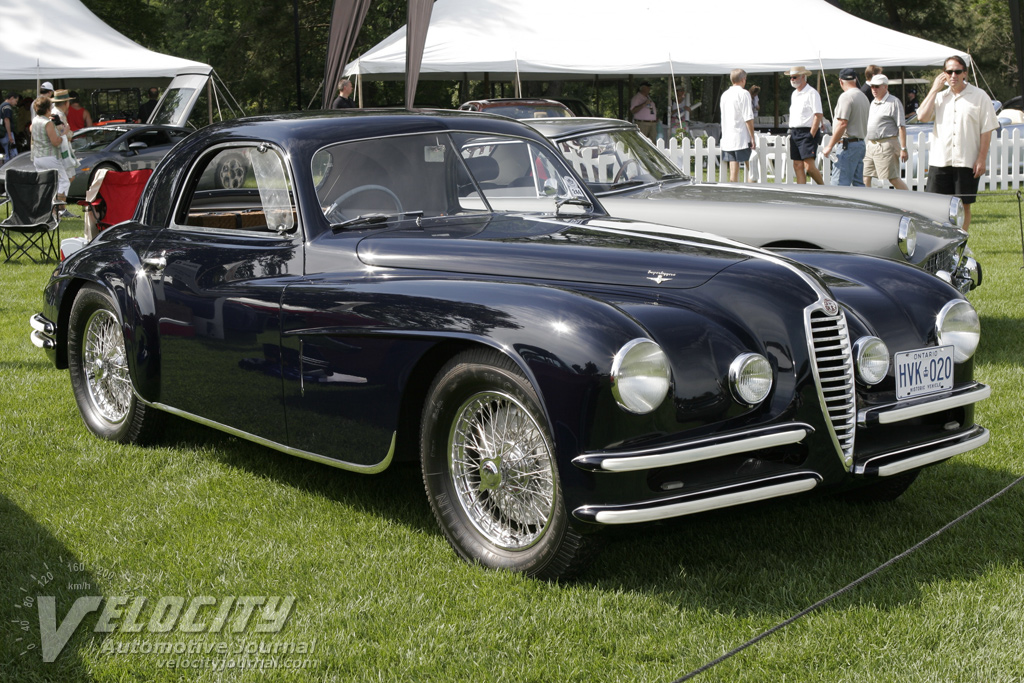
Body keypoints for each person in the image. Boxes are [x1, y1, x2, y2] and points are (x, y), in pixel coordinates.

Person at [917, 55, 1000, 232]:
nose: (953, 75)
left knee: (963, 206)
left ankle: (961, 242)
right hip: (940, 160)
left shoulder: (980, 96)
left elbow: (987, 129)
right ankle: (938, 241)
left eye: (957, 71)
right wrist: (933, 89)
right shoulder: (939, 98)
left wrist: (981, 159)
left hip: (966, 160)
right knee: (934, 206)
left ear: (965, 73)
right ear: (944, 74)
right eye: (949, 71)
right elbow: (922, 116)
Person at [822, 69, 868, 186]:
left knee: (839, 185)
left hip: (847, 145)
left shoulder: (846, 97)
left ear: (840, 81)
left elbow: (843, 123)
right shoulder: (863, 97)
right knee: (858, 185)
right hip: (860, 144)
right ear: (855, 79)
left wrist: (830, 146)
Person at [864, 75, 908, 190]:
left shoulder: (894, 102)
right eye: (872, 86)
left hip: (886, 144)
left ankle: (911, 201)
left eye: (877, 86)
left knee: (892, 178)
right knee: (865, 176)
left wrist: (903, 148)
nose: (874, 89)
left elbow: (901, 126)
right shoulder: (873, 102)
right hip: (871, 145)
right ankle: (866, 205)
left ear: (885, 87)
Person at [30, 96, 71, 207]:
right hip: (49, 156)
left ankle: (44, 207)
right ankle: (59, 208)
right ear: (48, 109)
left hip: (38, 157)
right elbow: (55, 141)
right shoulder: (48, 123)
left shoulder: (34, 121)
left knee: (45, 183)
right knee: (64, 181)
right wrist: (64, 133)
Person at [786, 66, 824, 184]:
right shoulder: (794, 94)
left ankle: (824, 188)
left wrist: (811, 135)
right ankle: (801, 192)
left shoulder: (812, 93)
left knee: (809, 167)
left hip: (807, 131)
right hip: (795, 131)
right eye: (791, 77)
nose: (792, 79)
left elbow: (818, 115)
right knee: (797, 165)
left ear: (803, 77)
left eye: (794, 77)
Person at [719, 69, 755, 182]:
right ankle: (752, 190)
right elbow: (748, 117)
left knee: (733, 169)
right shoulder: (744, 93)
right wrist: (752, 137)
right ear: (743, 80)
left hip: (728, 136)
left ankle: (733, 192)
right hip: (741, 136)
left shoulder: (725, 95)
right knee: (751, 168)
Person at [1, 92, 18, 161]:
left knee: (6, 153)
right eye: (16, 101)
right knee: (13, 154)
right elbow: (6, 120)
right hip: (6, 133)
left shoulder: (2, 105)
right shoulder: (7, 107)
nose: (16, 103)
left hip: (2, 134)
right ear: (11, 98)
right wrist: (10, 136)